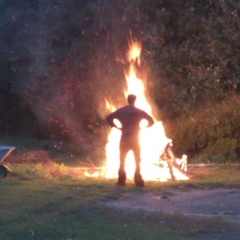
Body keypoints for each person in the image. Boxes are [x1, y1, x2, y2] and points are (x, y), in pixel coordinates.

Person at [106, 94, 154, 187]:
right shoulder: (140, 112)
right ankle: (138, 180)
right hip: (135, 140)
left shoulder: (121, 111)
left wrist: (116, 126)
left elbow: (108, 118)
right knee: (137, 160)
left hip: (124, 139)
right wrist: (142, 127)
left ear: (127, 100)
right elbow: (151, 121)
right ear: (134, 100)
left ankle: (121, 180)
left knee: (122, 160)